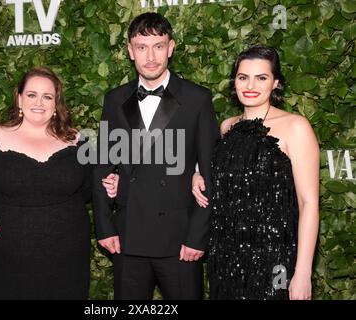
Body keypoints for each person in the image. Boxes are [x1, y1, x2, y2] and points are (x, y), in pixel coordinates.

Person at [92, 12, 220, 300]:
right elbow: (102, 166)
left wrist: (197, 235)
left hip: (179, 240)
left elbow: (211, 171)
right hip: (128, 237)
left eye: (158, 46)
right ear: (130, 51)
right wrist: (104, 226)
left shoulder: (197, 98)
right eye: (141, 47)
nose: (150, 56)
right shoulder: (115, 100)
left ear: (171, 47)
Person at [0, 67, 92, 299]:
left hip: (67, 259)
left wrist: (110, 183)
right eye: (32, 94)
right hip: (5, 260)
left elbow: (92, 186)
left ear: (56, 104)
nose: (39, 102)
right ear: (19, 99)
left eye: (47, 96)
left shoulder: (76, 140)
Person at [191, 45, 320, 299]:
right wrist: (198, 174)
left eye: (261, 77)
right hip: (226, 255)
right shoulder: (227, 127)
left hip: (275, 257)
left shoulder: (295, 127)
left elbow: (309, 203)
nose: (251, 85)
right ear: (234, 82)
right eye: (243, 77)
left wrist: (302, 272)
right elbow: (223, 176)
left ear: (276, 83)